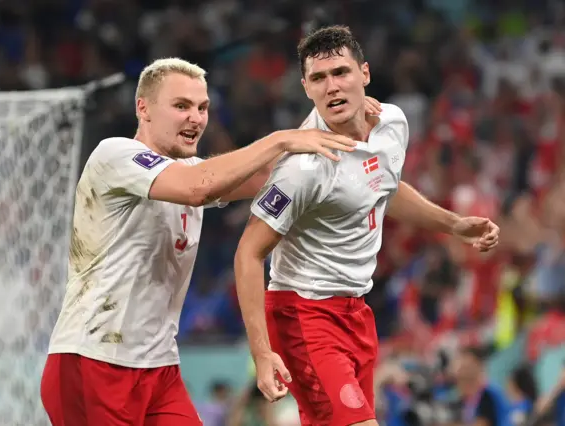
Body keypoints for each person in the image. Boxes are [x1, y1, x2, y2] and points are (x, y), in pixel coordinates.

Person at [40, 57, 369, 426]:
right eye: (181, 106)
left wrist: (336, 127)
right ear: (143, 108)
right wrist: (281, 139)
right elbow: (197, 188)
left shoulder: (194, 171)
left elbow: (267, 176)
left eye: (202, 108)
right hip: (93, 359)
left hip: (158, 367)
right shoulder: (114, 155)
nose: (195, 118)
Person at [234, 25, 500, 426]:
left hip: (357, 312)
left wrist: (454, 224)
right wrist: (261, 351)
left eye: (341, 72)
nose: (332, 87)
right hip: (304, 314)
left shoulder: (391, 123)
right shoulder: (302, 168)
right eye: (319, 79)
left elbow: (383, 188)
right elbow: (248, 253)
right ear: (306, 88)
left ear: (365, 74)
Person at [451, 347, 510, 426]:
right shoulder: (467, 397)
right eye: (461, 367)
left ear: (479, 366)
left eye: (466, 367)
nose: (462, 372)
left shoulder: (489, 394)